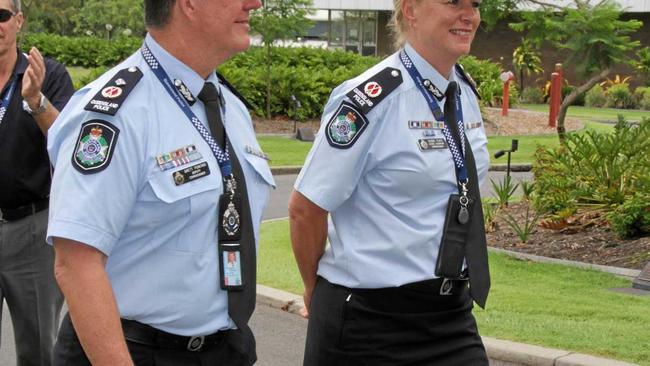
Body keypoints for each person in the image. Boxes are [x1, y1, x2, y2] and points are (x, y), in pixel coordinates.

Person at [47, 0, 274, 365]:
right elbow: (76, 263)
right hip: (130, 351)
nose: (255, 3)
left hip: (225, 346)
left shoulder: (228, 105)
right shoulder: (115, 112)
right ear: (189, 4)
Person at [289, 0, 491, 364]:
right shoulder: (370, 99)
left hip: (450, 315)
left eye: (474, 4)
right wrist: (313, 289)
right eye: (453, 2)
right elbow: (306, 209)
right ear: (410, 10)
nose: (469, 15)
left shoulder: (462, 92)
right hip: (368, 323)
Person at [0, 0, 73, 364]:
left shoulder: (49, 75)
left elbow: (69, 142)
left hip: (30, 228)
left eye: (1, 15)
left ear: (18, 21)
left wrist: (35, 99)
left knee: (39, 349)